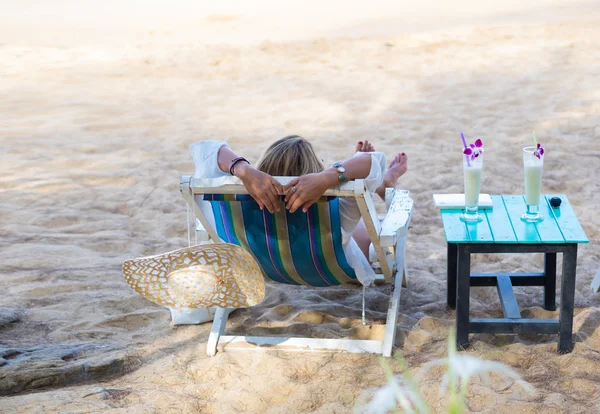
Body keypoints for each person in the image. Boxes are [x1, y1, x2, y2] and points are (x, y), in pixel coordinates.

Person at [190, 135, 407, 287]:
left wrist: (245, 170)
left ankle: (375, 181)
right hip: (332, 270)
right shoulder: (336, 211)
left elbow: (207, 150)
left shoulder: (235, 206)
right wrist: (328, 176)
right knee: (359, 214)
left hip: (267, 266)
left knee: (352, 210)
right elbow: (374, 161)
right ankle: (380, 182)